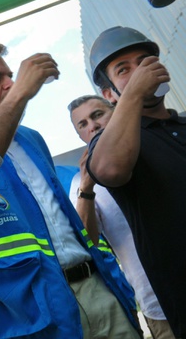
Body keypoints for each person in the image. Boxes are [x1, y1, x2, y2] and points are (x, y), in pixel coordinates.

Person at [0, 42, 140, 339]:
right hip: (32, 311)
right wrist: (21, 92)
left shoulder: (31, 139)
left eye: (11, 76)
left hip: (98, 287)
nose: (11, 84)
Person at [86, 26, 186, 338]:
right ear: (109, 94)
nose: (140, 71)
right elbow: (110, 170)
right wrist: (134, 93)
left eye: (145, 61)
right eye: (124, 70)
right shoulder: (111, 142)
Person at [68, 94, 174, 338]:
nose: (92, 126)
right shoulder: (80, 184)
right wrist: (87, 186)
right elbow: (88, 241)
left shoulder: (155, 146)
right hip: (159, 305)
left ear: (116, 112)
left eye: (97, 115)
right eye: (82, 124)